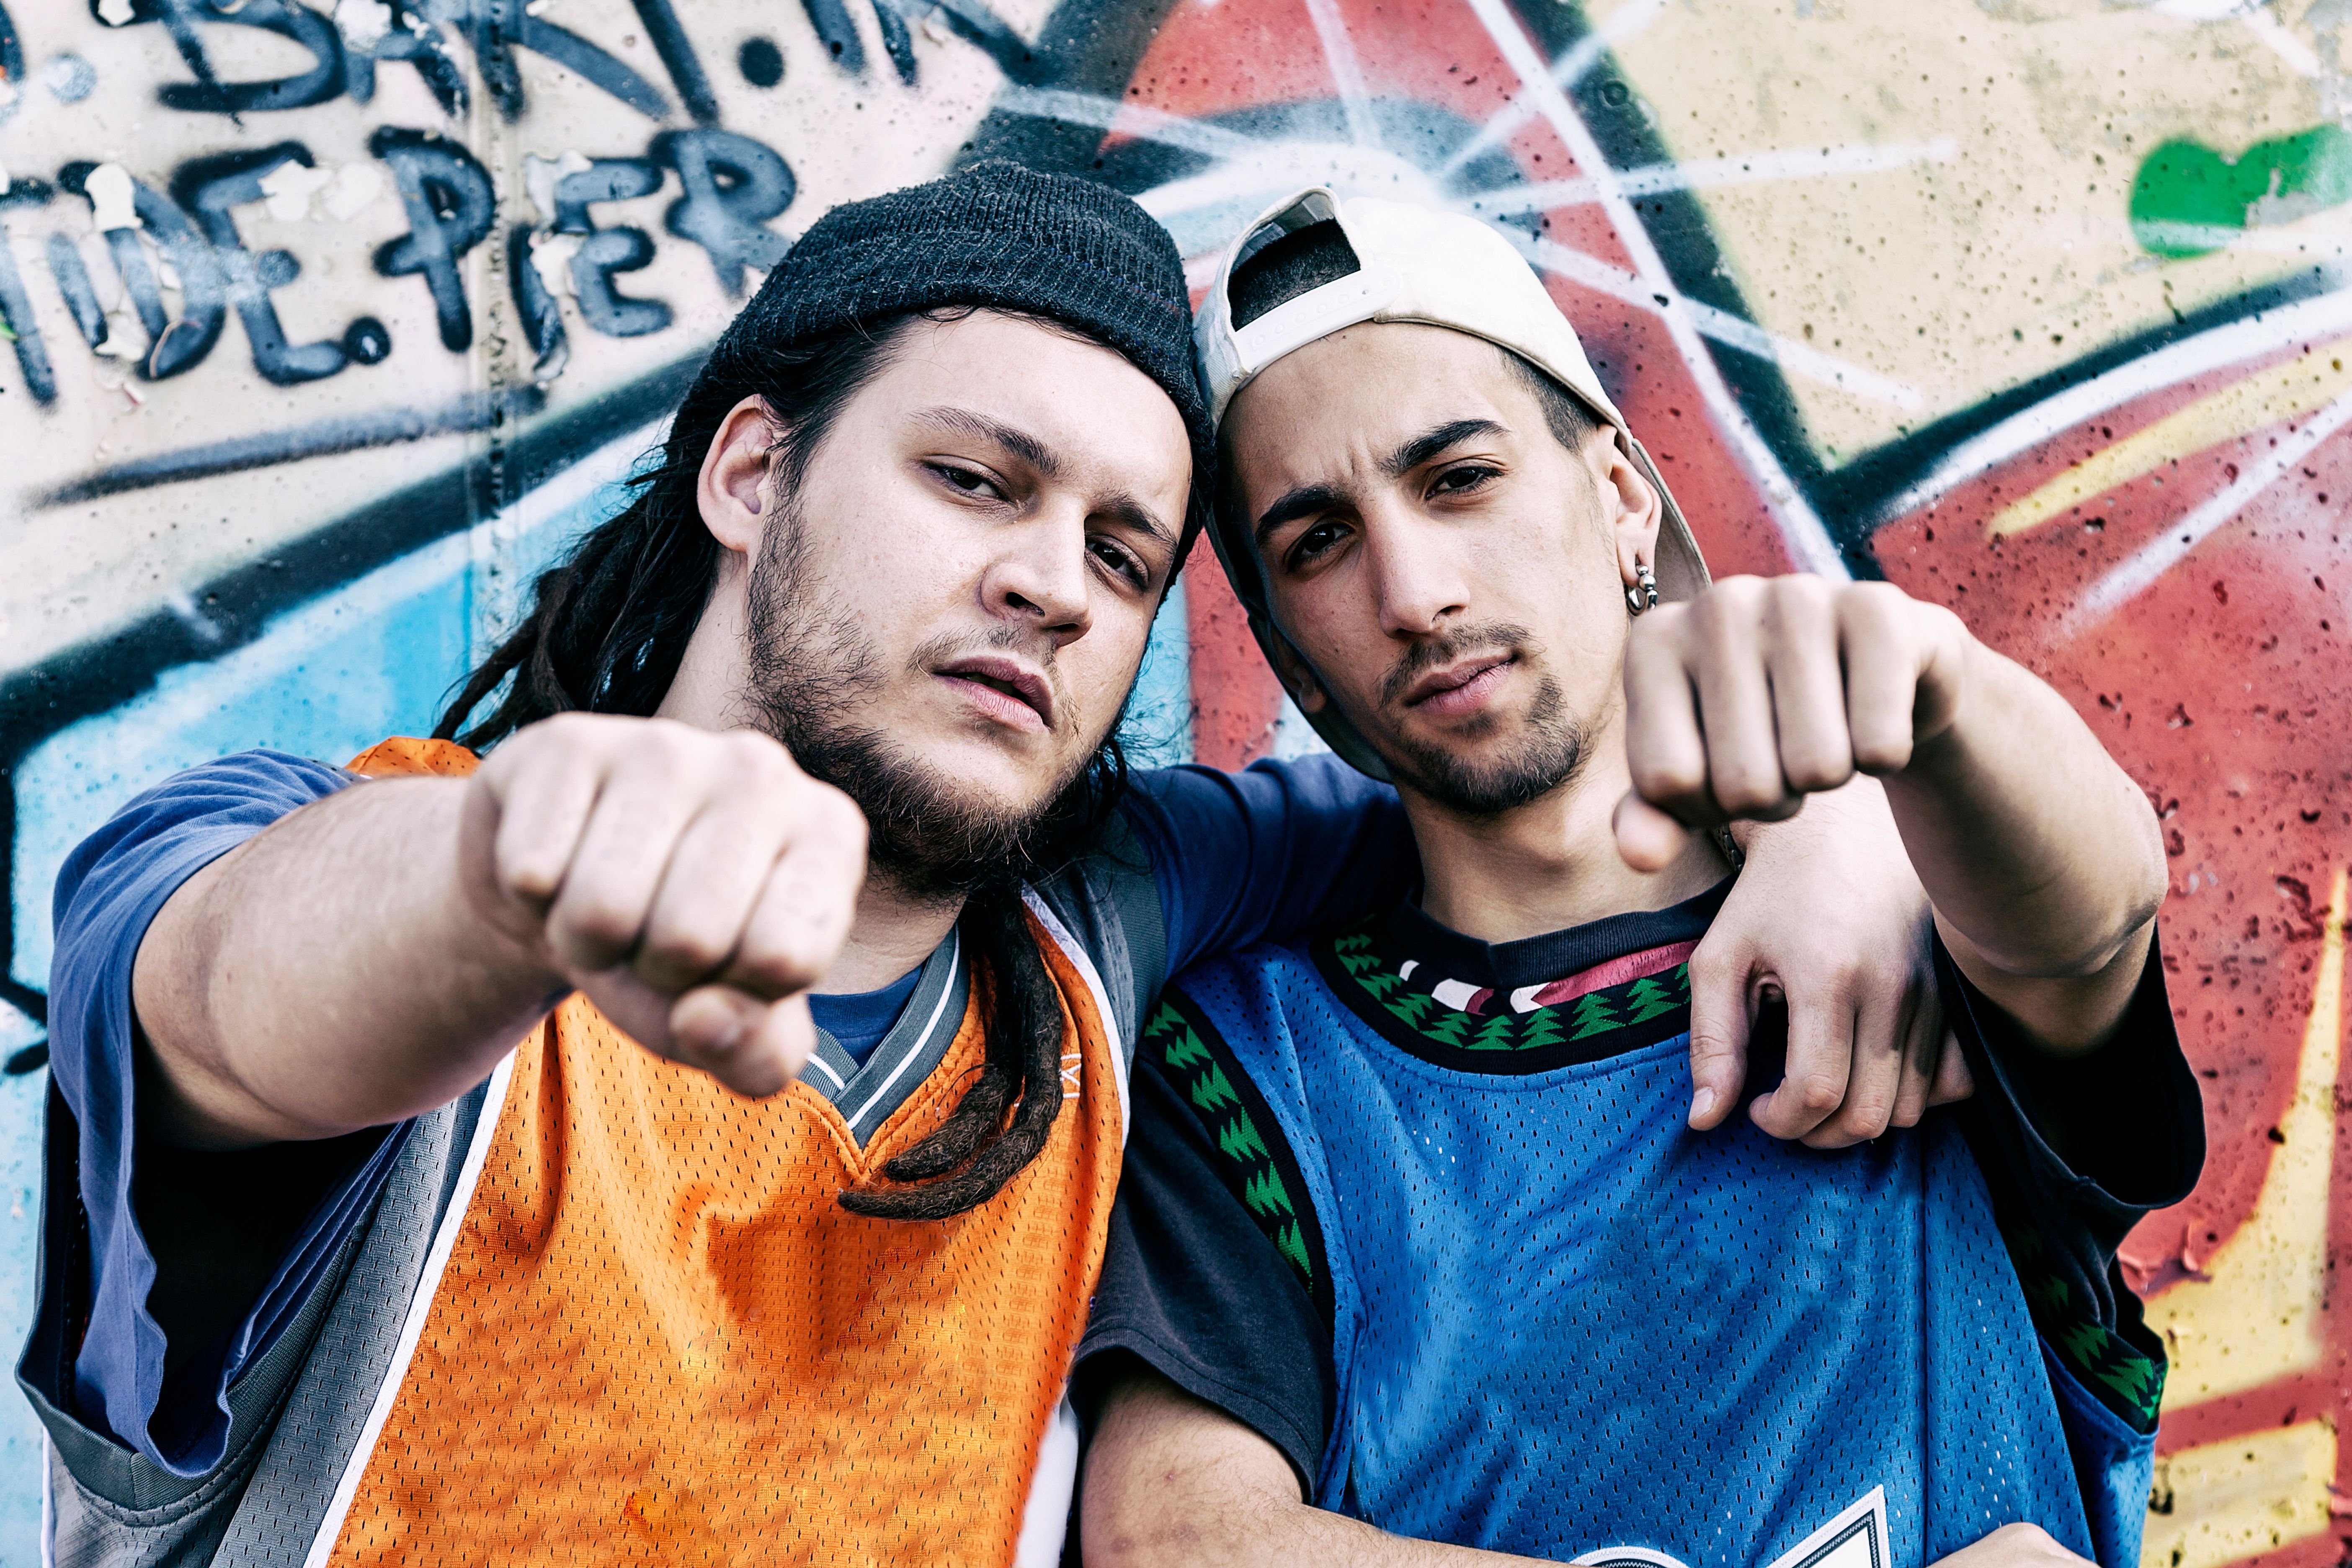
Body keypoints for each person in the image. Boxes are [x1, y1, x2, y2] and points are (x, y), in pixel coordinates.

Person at [24, 166, 1932, 1567]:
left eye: (1123, 553)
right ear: (754, 474)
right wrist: (513, 875)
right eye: (976, 482)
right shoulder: (343, 880)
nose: (1050, 579)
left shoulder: (1100, 932)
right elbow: (234, 1001)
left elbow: (1526, 786)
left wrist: (1831, 812)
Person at [1074, 189, 2204, 1568]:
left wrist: (1927, 692)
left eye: (1459, 478)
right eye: (1319, 541)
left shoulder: (1907, 920)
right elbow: (1175, 1541)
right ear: (1287, 649)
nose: (1414, 590)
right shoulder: (1247, 1073)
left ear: (1619, 496)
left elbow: (2094, 923)